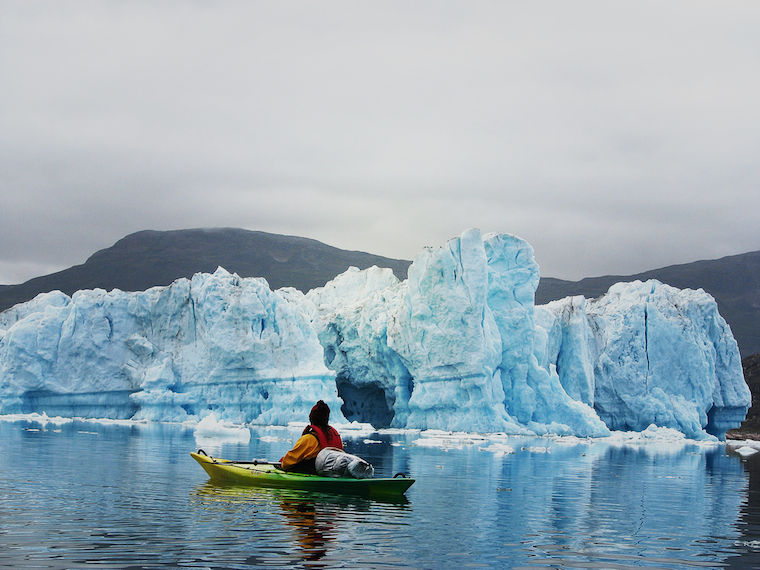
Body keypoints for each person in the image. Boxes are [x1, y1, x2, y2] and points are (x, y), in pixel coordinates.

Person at [280, 400, 343, 473]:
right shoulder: (335, 436)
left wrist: (282, 462)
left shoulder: (308, 439)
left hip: (314, 473)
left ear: (311, 418)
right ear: (327, 419)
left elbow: (286, 463)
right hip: (335, 472)